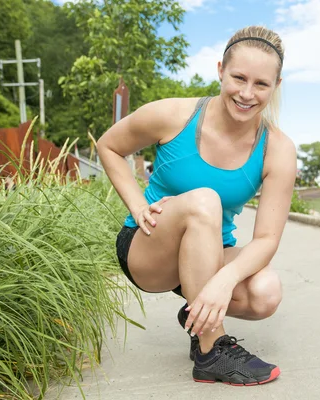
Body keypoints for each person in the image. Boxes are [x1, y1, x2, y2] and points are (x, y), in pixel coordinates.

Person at [96, 26, 296, 386]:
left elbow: (266, 239)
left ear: (276, 85)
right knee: (206, 199)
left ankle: (195, 312)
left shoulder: (277, 149)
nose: (247, 94)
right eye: (238, 78)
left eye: (261, 84)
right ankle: (210, 352)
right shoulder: (173, 115)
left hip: (210, 255)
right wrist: (139, 205)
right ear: (221, 70)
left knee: (266, 292)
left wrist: (224, 280)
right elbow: (109, 147)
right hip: (149, 248)